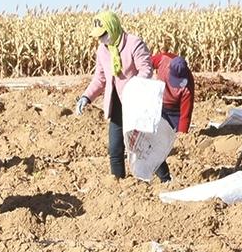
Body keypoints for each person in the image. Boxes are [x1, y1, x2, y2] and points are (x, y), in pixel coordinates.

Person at [74, 11, 154, 181]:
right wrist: (86, 97)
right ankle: (118, 183)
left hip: (135, 103)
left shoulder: (134, 43)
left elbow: (146, 69)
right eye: (99, 36)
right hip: (116, 105)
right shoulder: (102, 50)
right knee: (115, 149)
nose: (101, 39)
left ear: (113, 28)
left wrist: (133, 88)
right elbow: (100, 78)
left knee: (143, 146)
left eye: (104, 35)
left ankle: (165, 180)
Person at [148, 51, 195, 181]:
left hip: (175, 110)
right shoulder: (163, 60)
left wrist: (182, 133)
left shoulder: (188, 85)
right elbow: (145, 64)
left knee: (168, 141)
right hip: (158, 103)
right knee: (154, 139)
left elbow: (186, 112)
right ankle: (160, 172)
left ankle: (166, 176)